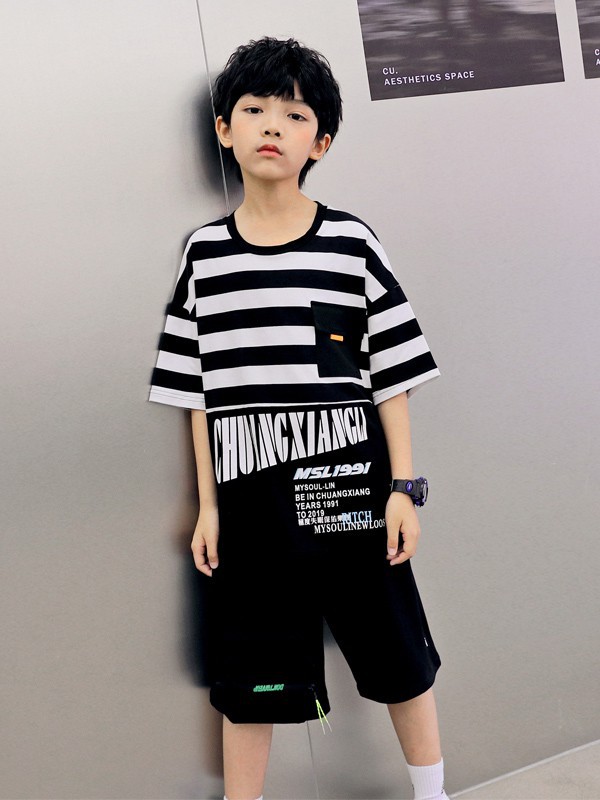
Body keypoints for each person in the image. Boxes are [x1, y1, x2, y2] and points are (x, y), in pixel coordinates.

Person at [150, 36, 450, 800]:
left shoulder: (351, 242)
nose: (272, 127)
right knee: (250, 674)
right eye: (254, 110)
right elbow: (197, 391)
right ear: (225, 129)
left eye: (293, 114)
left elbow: (393, 375)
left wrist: (403, 489)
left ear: (321, 142)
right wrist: (209, 506)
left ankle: (433, 794)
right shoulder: (204, 256)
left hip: (350, 493)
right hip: (250, 504)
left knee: (398, 656)